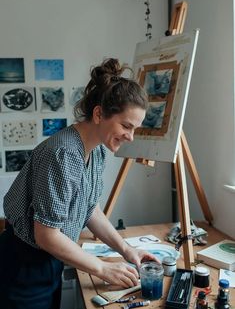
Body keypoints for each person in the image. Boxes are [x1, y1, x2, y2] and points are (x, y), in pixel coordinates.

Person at [0, 58, 159, 309]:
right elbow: (46, 235)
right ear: (98, 114)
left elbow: (89, 208)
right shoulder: (62, 153)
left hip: (49, 261)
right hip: (24, 266)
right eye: (126, 126)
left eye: (135, 129)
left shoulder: (96, 151)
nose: (130, 137)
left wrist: (128, 251)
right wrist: (102, 269)